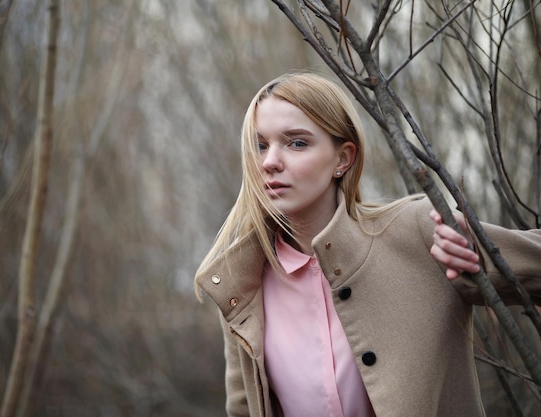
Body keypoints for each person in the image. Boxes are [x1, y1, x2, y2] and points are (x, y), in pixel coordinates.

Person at [194, 72, 541, 417]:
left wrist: (480, 257)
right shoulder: (241, 282)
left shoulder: (417, 230)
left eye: (296, 142)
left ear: (343, 159)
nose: (270, 162)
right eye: (260, 145)